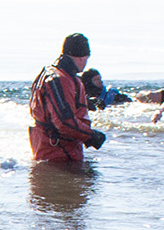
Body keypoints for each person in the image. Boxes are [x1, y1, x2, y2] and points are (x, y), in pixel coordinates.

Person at [29, 33, 107, 163]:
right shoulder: (60, 79)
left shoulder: (50, 74)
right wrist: (92, 136)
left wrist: (86, 103)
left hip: (49, 152)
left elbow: (53, 106)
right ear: (83, 57)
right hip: (59, 155)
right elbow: (64, 123)